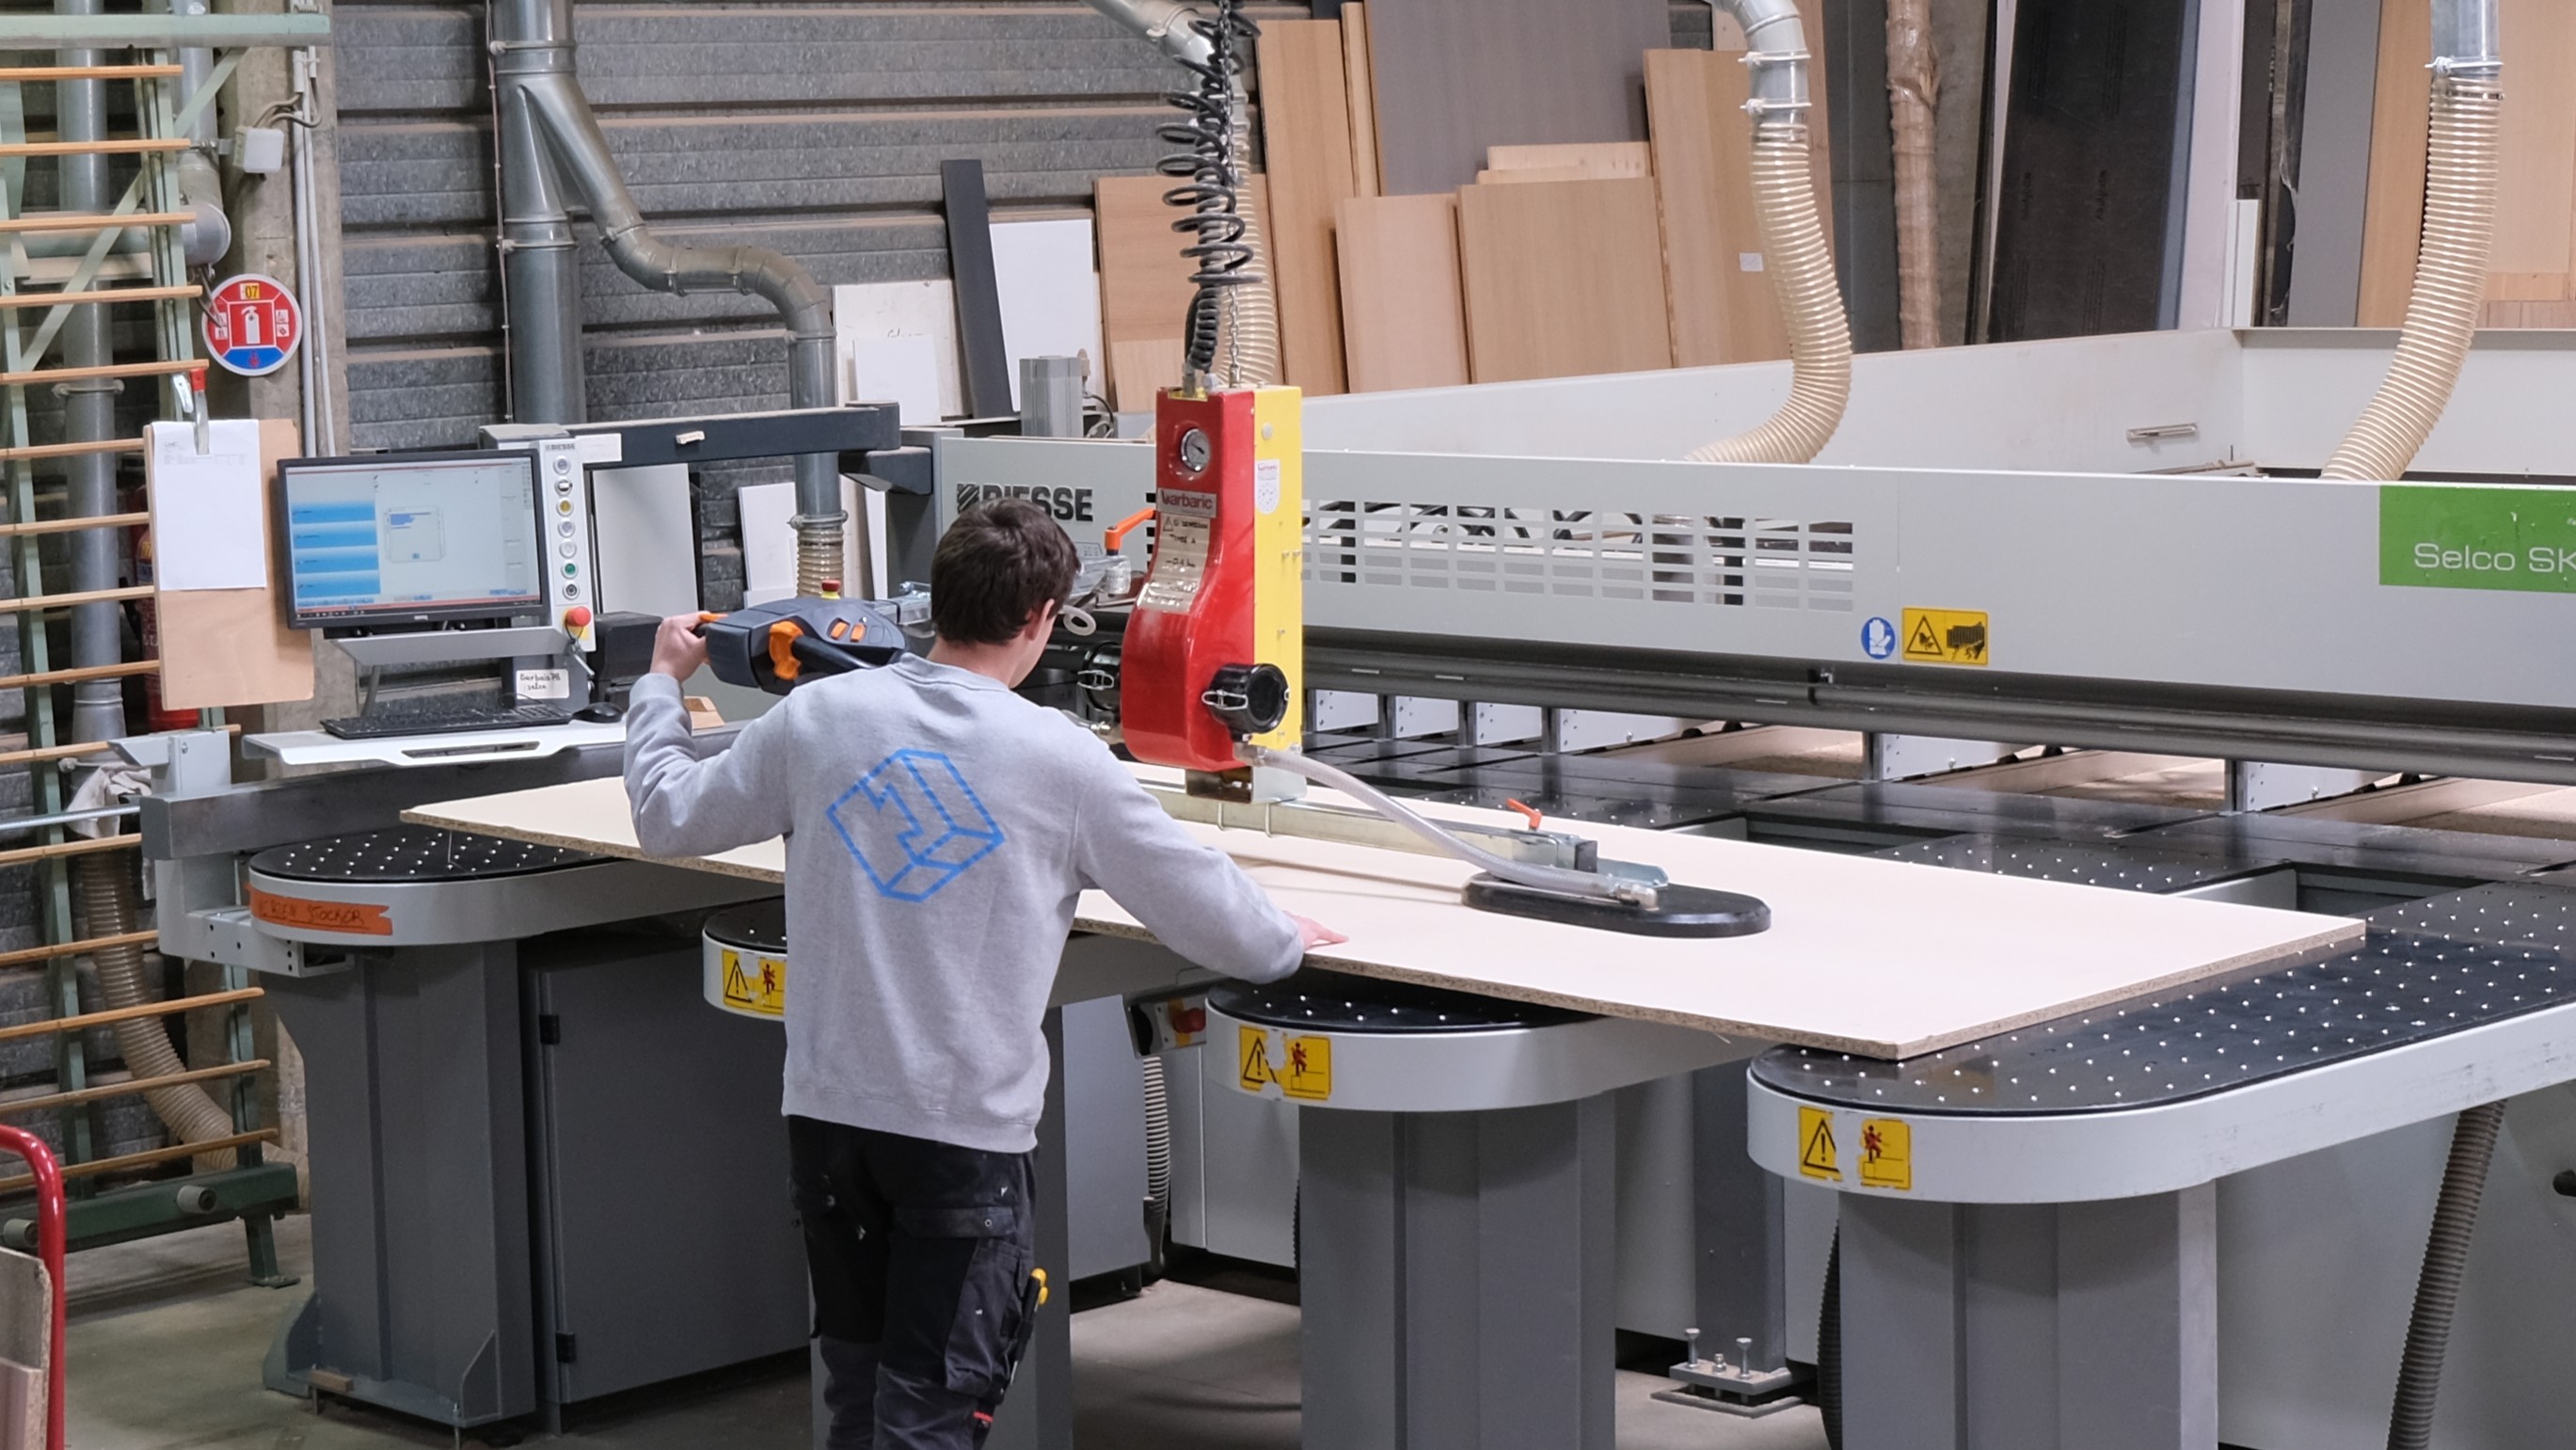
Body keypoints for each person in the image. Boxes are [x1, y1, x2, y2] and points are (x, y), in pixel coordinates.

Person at [623, 498, 1342, 1449]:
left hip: (831, 1124)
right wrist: (1282, 933)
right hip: (956, 1140)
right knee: (928, 1418)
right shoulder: (1057, 757)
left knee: (857, 1395)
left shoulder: (819, 717)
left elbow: (668, 814)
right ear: (1043, 618)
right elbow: (1210, 911)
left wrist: (659, 685)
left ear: (936, 605)